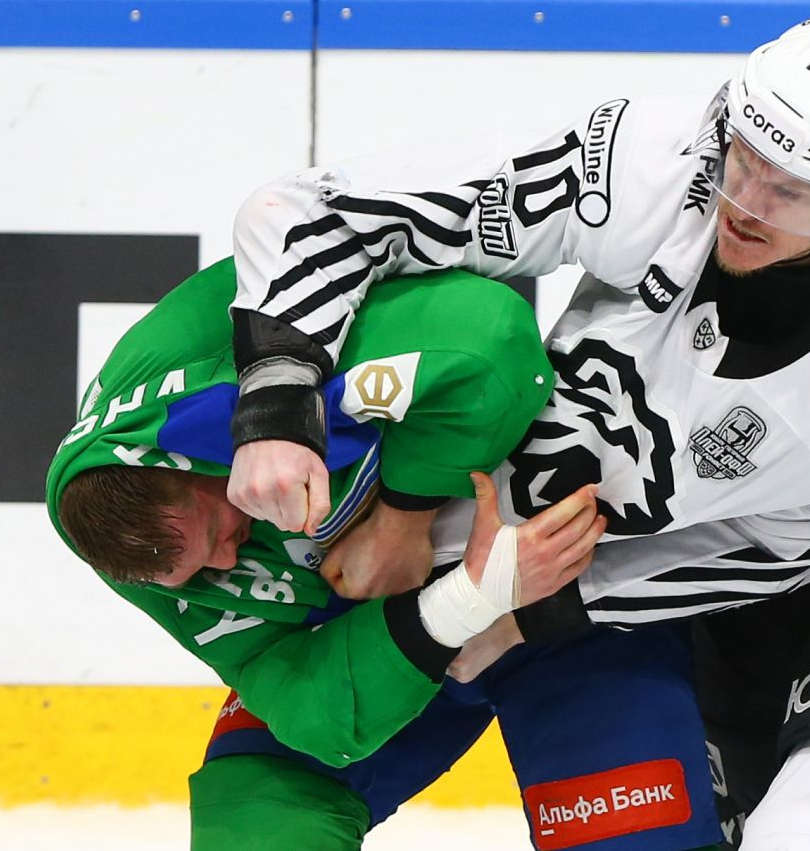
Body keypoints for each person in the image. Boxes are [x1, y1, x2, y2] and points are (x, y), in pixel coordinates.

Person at [222, 10, 810, 849]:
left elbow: (762, 549)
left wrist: (518, 614)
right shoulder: (656, 159)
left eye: (789, 192)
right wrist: (277, 402)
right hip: (711, 524)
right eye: (745, 157)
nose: (745, 204)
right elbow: (316, 212)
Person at [46, 257, 725, 850]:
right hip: (386, 633)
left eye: (217, 533)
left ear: (194, 463)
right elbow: (298, 696)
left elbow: (492, 341)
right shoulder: (133, 540)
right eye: (197, 571)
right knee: (257, 820)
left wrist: (404, 518)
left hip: (577, 595)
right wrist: (462, 603)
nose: (225, 565)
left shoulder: (247, 385)